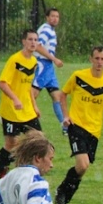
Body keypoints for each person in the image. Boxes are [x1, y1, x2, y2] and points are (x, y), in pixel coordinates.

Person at [55, 45, 103, 204]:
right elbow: (63, 94)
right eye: (96, 58)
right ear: (91, 59)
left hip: (94, 130)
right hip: (76, 126)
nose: (99, 62)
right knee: (83, 165)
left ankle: (63, 194)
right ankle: (62, 195)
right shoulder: (78, 76)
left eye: (102, 59)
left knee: (83, 168)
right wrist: (66, 116)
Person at [0, 29, 41, 186]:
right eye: (30, 39)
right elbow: (2, 83)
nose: (33, 42)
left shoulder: (34, 62)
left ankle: (24, 175)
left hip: (27, 111)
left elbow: (28, 86)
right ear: (23, 41)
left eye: (35, 40)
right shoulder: (15, 60)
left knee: (38, 140)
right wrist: (15, 99)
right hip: (10, 111)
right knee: (11, 145)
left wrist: (34, 106)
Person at [32, 7, 66, 135]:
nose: (55, 19)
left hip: (48, 67)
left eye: (57, 16)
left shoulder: (51, 30)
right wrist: (54, 59)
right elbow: (37, 46)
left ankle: (65, 126)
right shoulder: (46, 29)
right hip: (42, 64)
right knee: (32, 95)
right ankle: (18, 119)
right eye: (52, 16)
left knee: (57, 96)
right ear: (47, 17)